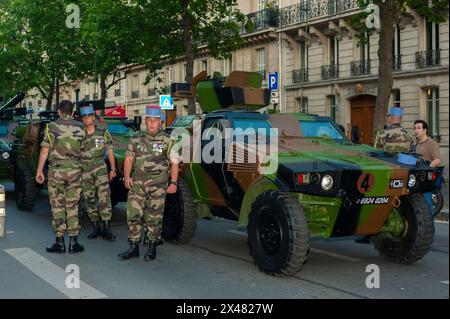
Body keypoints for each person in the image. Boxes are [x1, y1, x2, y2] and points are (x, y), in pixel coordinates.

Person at [118, 105, 179, 261]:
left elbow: (174, 163)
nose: (152, 123)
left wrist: (173, 182)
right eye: (149, 120)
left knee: (154, 217)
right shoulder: (136, 138)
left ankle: (152, 248)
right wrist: (126, 177)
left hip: (158, 185)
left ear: (161, 122)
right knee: (133, 215)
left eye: (155, 120)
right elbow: (129, 159)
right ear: (145, 121)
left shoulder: (168, 140)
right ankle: (134, 247)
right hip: (138, 183)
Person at [36, 100, 86, 254]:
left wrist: (39, 171)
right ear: (72, 112)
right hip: (75, 171)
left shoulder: (51, 127)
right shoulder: (82, 127)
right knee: (73, 205)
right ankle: (73, 242)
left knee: (57, 205)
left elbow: (45, 150)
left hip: (56, 171)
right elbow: (85, 152)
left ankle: (59, 242)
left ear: (59, 111)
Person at [80, 105, 117, 241]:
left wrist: (113, 169)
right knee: (88, 198)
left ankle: (106, 229)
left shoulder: (103, 133)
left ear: (93, 118)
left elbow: (110, 151)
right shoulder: (79, 135)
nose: (87, 119)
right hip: (84, 170)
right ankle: (95, 227)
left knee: (104, 198)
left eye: (89, 116)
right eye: (84, 116)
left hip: (100, 167)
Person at [414, 119, 441, 214]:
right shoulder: (417, 144)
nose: (416, 130)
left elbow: (437, 160)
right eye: (415, 128)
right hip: (417, 179)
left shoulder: (431, 143)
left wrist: (426, 170)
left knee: (428, 206)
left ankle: (431, 229)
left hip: (426, 179)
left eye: (418, 128)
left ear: (425, 130)